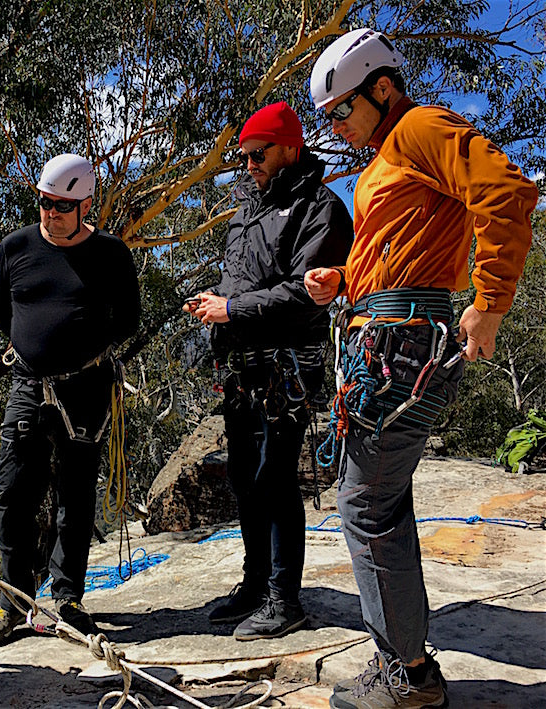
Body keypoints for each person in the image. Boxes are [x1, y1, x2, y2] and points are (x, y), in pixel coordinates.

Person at [306, 28, 537, 708]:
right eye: (328, 118)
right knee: (379, 498)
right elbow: (402, 249)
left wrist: (490, 303)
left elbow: (506, 189)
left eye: (342, 109)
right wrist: (344, 277)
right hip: (379, 337)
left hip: (400, 346)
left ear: (382, 87)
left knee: (364, 503)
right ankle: (401, 662)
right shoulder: (387, 156)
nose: (336, 126)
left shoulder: (418, 128)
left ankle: (407, 674)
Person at [187, 102, 353, 640]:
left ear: (289, 147)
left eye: (258, 154)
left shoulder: (321, 209)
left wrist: (232, 309)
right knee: (244, 477)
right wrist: (218, 300)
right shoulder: (247, 208)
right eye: (245, 156)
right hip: (241, 365)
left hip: (287, 366)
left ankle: (285, 598)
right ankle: (256, 584)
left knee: (275, 479)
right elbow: (242, 277)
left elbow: (307, 293)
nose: (250, 164)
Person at [0, 153, 141, 643]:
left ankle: (68, 598)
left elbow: (129, 320)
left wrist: (84, 350)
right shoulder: (15, 248)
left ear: (85, 204)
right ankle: (13, 603)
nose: (50, 212)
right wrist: (38, 347)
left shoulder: (111, 255)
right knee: (15, 495)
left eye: (61, 205)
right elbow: (0, 312)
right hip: (29, 385)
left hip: (86, 388)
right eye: (45, 203)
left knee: (76, 495)